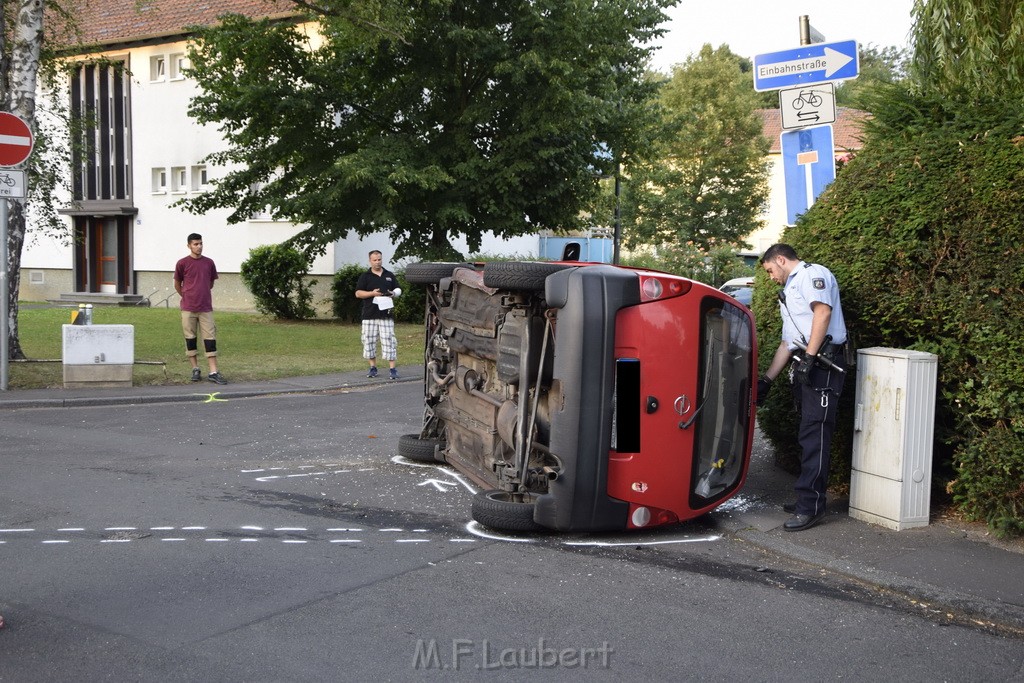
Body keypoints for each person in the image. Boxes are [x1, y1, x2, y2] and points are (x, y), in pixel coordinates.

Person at [756, 243, 847, 532]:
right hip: (809, 365)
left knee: (815, 435)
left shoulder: (812, 274)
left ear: (781, 259)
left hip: (823, 364)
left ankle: (812, 507)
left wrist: (809, 358)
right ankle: (807, 498)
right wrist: (767, 381)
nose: (771, 277)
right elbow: (789, 341)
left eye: (771, 270)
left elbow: (822, 313)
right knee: (807, 434)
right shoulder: (791, 288)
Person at [174, 233, 227, 385]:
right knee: (190, 338)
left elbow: (210, 283)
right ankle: (195, 369)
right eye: (196, 244)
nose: (199, 246)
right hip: (188, 308)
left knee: (210, 340)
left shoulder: (209, 263)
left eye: (201, 243)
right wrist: (186, 295)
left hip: (205, 308)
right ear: (189, 245)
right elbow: (177, 284)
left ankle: (213, 372)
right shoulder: (182, 263)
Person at [354, 250, 401, 379]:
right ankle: (373, 368)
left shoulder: (389, 275)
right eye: (375, 260)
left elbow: (398, 289)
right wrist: (372, 293)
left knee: (389, 340)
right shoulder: (365, 276)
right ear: (370, 261)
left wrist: (394, 293)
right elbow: (358, 293)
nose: (377, 262)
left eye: (379, 259)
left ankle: (392, 369)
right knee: (368, 340)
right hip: (369, 314)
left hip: (386, 313)